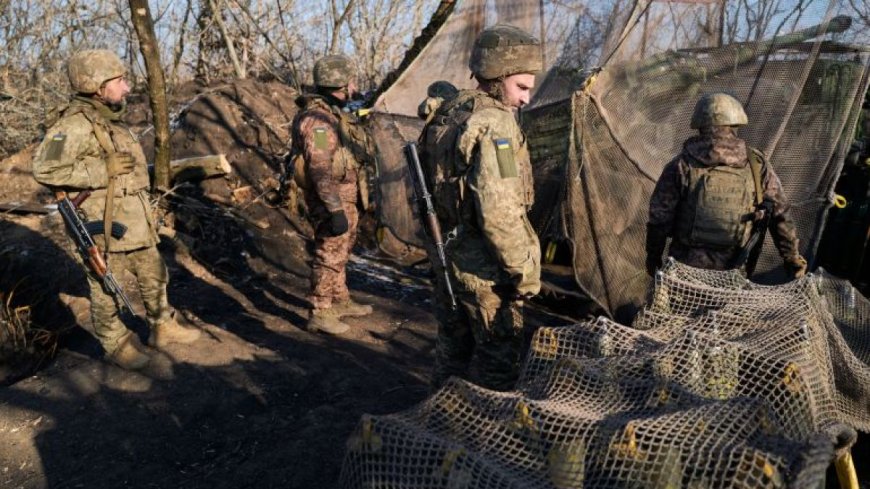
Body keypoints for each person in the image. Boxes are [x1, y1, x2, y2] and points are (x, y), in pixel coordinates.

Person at [32, 49, 200, 370]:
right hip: (103, 225)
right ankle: (116, 344)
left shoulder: (110, 119)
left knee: (154, 271)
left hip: (134, 218)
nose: (126, 88)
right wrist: (100, 169)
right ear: (95, 85)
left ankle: (162, 326)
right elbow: (45, 168)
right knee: (107, 285)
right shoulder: (71, 125)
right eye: (119, 81)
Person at [418, 24, 542, 391]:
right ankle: (486, 440)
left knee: (451, 353)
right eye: (521, 87)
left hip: (447, 258)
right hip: (486, 270)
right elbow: (499, 212)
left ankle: (436, 427)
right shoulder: (495, 125)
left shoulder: (451, 112)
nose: (526, 100)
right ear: (497, 77)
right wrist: (524, 273)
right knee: (498, 371)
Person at [646, 92, 807, 279]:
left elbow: (659, 218)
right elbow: (780, 214)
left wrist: (653, 256)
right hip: (735, 271)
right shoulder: (756, 165)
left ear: (700, 125)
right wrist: (792, 259)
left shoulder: (681, 165)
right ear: (734, 125)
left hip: (685, 271)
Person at [291, 54, 373, 335]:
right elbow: (320, 167)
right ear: (340, 84)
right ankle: (320, 310)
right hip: (332, 199)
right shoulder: (319, 122)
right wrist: (334, 209)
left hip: (345, 197)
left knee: (341, 250)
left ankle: (339, 299)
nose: (354, 87)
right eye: (351, 82)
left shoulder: (332, 113)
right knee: (329, 253)